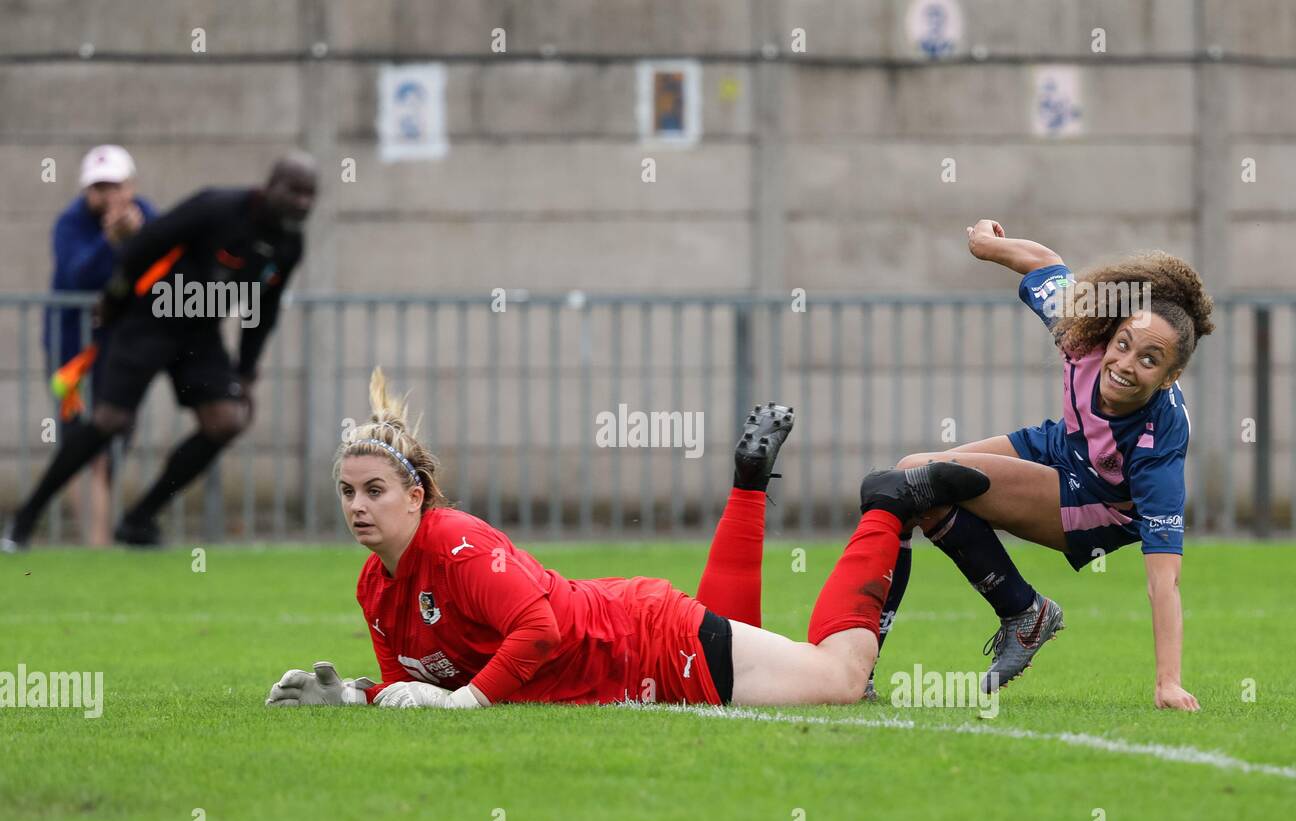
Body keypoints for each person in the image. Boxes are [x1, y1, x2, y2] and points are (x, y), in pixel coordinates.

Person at [265, 370, 991, 710]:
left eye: (375, 492)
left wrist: (470, 703)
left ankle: (885, 507)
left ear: (416, 497)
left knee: (841, 682)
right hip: (642, 650)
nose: (358, 507)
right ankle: (748, 489)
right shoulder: (374, 587)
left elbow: (538, 629)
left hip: (645, 639)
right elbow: (414, 690)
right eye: (347, 493)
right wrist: (358, 699)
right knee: (750, 640)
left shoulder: (455, 542)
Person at [874, 219, 1213, 711]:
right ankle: (1019, 612)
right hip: (1059, 447)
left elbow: (1165, 576)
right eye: (1124, 344)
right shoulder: (1082, 333)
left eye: (1149, 359)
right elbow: (1044, 263)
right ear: (1111, 332)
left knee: (925, 483)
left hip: (1097, 506)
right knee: (910, 473)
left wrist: (1168, 682)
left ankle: (862, 662)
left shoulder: (1159, 440)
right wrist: (988, 246)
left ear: (1170, 376)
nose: (1125, 363)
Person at [3, 153, 318, 552]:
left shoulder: (290, 243)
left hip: (200, 332)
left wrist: (246, 370)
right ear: (271, 184)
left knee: (227, 420)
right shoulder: (216, 205)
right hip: (150, 318)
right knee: (109, 420)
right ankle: (25, 519)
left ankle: (139, 519)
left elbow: (264, 309)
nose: (303, 202)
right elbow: (149, 242)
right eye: (295, 191)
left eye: (311, 195)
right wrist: (116, 300)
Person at [44, 145, 158, 546]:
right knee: (79, 442)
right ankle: (93, 540)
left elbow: (162, 269)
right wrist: (112, 240)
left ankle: (102, 538)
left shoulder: (147, 215)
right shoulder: (71, 223)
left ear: (130, 185)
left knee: (113, 444)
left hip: (123, 349)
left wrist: (138, 236)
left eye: (115, 185)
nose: (108, 195)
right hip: (72, 352)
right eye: (99, 187)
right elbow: (78, 276)